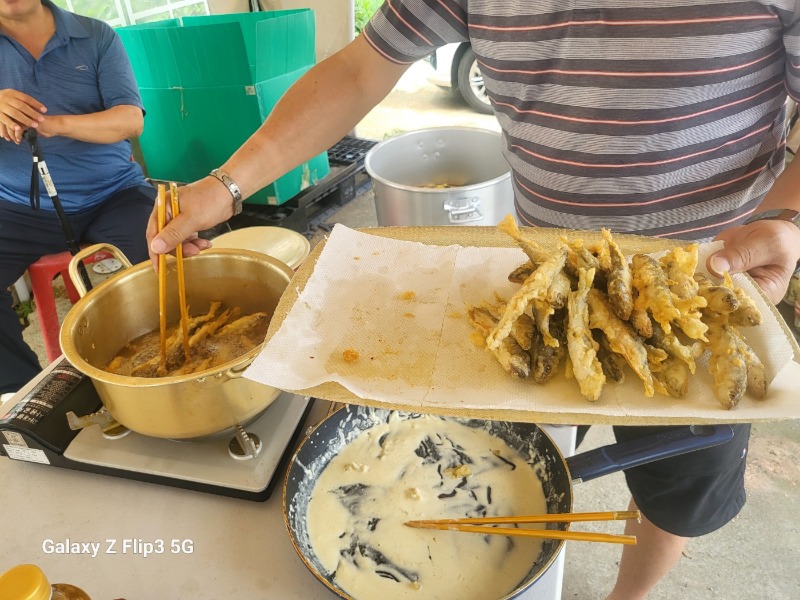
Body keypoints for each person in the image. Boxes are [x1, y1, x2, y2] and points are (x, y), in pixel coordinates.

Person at [147, 2, 800, 598]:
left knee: (674, 490)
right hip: (540, 282)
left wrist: (789, 217)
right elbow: (358, 70)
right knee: (529, 457)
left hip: (702, 297)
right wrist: (228, 184)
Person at [0, 0, 155, 397]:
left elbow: (130, 119)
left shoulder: (97, 35)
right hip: (17, 204)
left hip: (114, 192)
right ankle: (24, 397)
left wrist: (52, 124)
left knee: (168, 254)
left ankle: (165, 369)